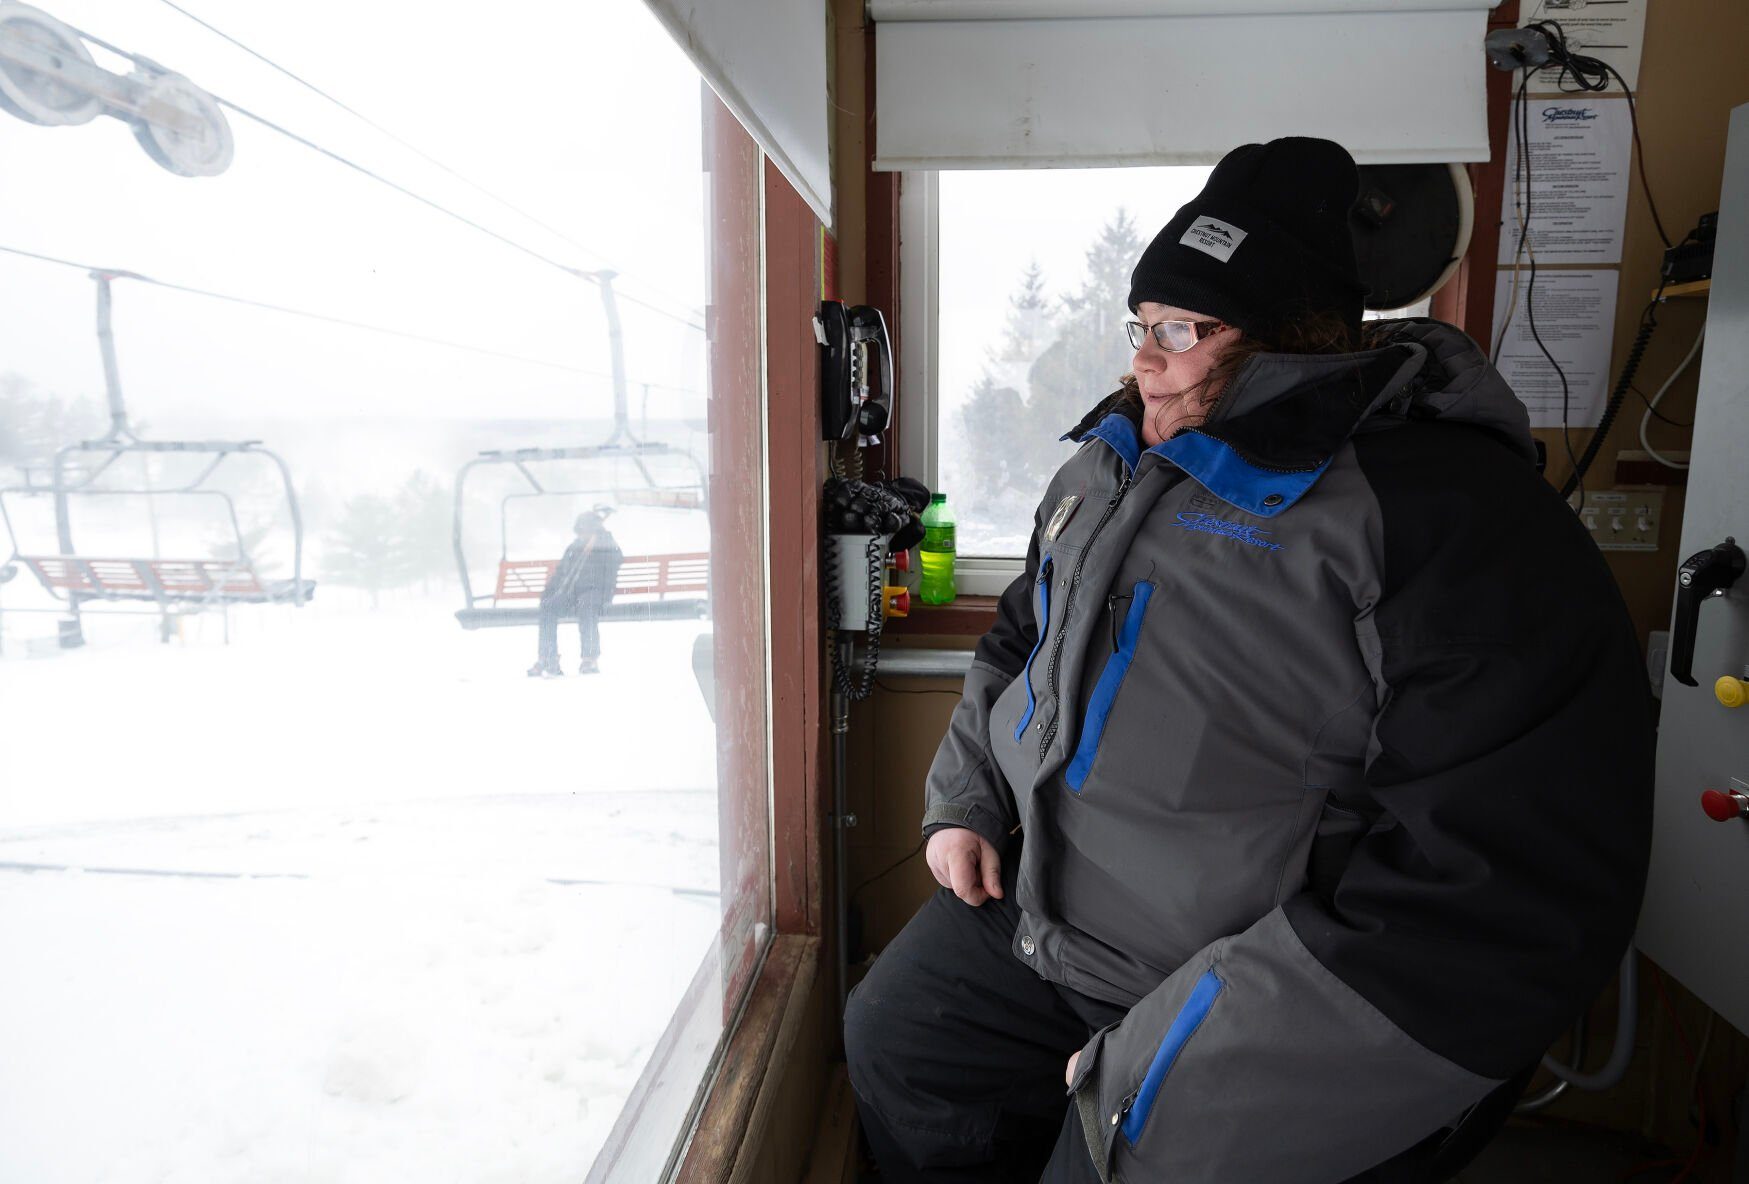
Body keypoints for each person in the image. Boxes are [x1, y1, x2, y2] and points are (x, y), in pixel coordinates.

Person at [842, 138, 1653, 1183]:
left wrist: (1175, 1052)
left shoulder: (1449, 518)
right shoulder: (1110, 465)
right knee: (901, 1043)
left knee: (1103, 1160)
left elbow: (1501, 889)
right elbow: (1021, 637)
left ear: (1294, 341)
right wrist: (964, 796)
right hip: (1049, 919)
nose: (1143, 358)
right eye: (1141, 324)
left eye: (1182, 329)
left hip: (1256, 983)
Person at [528, 510, 622, 677]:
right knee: (548, 607)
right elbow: (560, 573)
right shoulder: (574, 547)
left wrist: (606, 594)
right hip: (571, 592)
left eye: (586, 529)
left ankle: (589, 658)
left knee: (586, 608)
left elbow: (613, 566)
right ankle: (548, 657)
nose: (583, 533)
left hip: (594, 591)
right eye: (581, 529)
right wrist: (548, 594)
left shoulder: (606, 544)